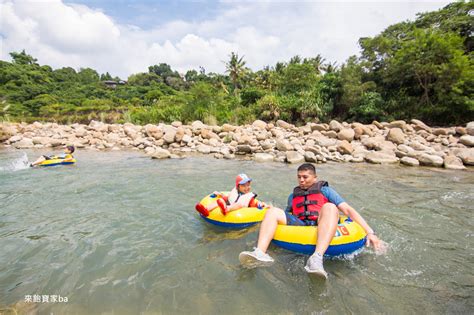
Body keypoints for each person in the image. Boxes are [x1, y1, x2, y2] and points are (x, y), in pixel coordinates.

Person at [239, 163, 384, 279]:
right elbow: (286, 214)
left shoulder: (326, 191)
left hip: (321, 223)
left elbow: (347, 210)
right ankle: (260, 252)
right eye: (299, 177)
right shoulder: (293, 195)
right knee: (272, 211)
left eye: (305, 177)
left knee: (330, 206)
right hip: (301, 225)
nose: (301, 180)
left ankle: (316, 258)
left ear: (315, 177)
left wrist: (370, 232)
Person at [195, 173, 267, 216]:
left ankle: (226, 209)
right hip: (230, 204)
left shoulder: (249, 197)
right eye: (243, 185)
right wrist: (220, 194)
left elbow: (254, 204)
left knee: (238, 204)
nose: (247, 188)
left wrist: (260, 204)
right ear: (238, 186)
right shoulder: (235, 192)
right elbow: (229, 198)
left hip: (239, 209)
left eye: (248, 185)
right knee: (220, 200)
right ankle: (206, 210)